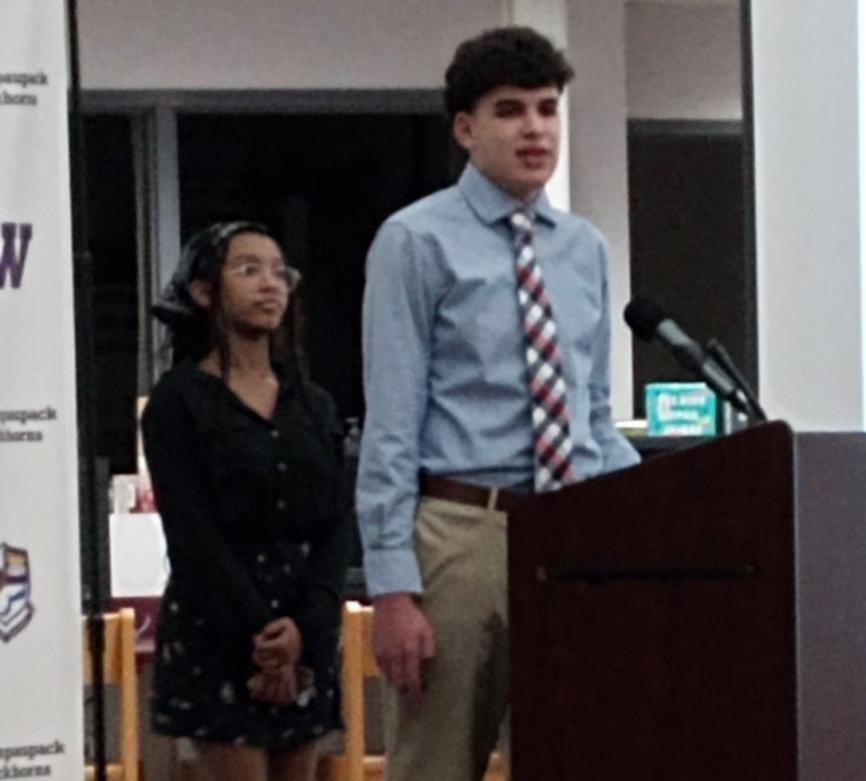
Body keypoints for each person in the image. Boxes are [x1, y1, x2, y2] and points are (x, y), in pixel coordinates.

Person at [356, 26, 640, 781]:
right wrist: (391, 586)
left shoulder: (583, 248)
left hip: (573, 532)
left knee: (576, 754)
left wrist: (651, 511)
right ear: (465, 128)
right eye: (511, 111)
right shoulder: (415, 241)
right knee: (436, 765)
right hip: (461, 535)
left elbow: (595, 415)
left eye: (548, 109)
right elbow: (390, 422)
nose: (536, 129)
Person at [141, 221, 350, 781]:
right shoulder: (177, 401)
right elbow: (191, 535)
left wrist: (306, 628)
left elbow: (336, 522)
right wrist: (263, 635)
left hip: (304, 623)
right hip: (220, 623)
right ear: (204, 291)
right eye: (248, 269)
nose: (270, 285)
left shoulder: (313, 403)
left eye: (280, 272)